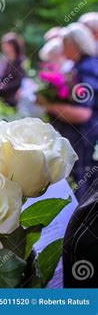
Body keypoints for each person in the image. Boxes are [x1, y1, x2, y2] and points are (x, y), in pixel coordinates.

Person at [37, 23, 98, 200]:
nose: (62, 48)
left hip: (83, 137)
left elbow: (82, 113)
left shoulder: (86, 69)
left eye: (65, 44)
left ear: (75, 45)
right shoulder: (82, 66)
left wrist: (49, 105)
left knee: (81, 186)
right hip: (83, 137)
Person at [0, 33, 25, 107]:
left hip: (13, 97)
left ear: (12, 46)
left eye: (5, 44)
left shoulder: (20, 61)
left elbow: (19, 80)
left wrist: (3, 87)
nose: (2, 46)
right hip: (1, 95)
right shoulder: (4, 60)